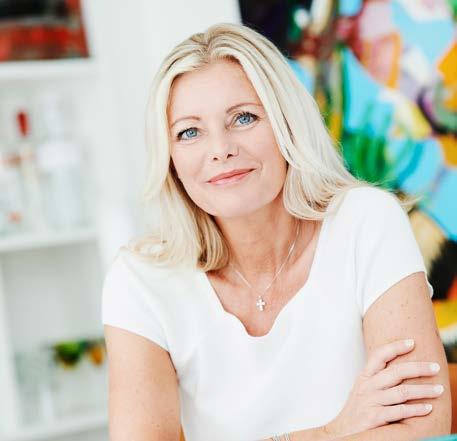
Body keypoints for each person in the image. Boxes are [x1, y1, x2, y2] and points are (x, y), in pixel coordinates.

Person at [101, 22, 451, 441]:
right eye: (189, 132)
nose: (221, 149)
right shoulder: (140, 280)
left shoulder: (366, 220)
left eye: (243, 118)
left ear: (287, 123)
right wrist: (330, 432)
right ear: (170, 156)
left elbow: (423, 425)